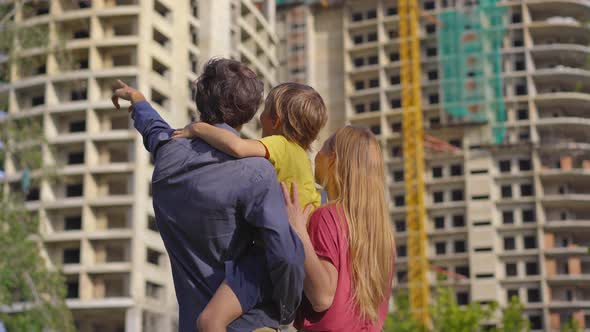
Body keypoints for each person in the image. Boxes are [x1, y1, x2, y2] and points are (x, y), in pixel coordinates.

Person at [110, 58, 305, 332]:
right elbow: (285, 255)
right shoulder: (257, 173)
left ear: (200, 99)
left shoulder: (168, 154)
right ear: (250, 112)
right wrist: (286, 308)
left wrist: (139, 102)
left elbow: (155, 130)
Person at [172, 82, 327, 331]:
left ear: (275, 120)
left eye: (264, 111)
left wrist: (198, 129)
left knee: (209, 321)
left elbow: (238, 147)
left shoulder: (281, 145)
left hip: (265, 258)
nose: (259, 117)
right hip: (289, 263)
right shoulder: (302, 160)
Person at [282, 126, 396, 331]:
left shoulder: (327, 217)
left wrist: (298, 231)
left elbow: (322, 297)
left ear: (333, 159)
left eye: (322, 148)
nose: (316, 155)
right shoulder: (383, 236)